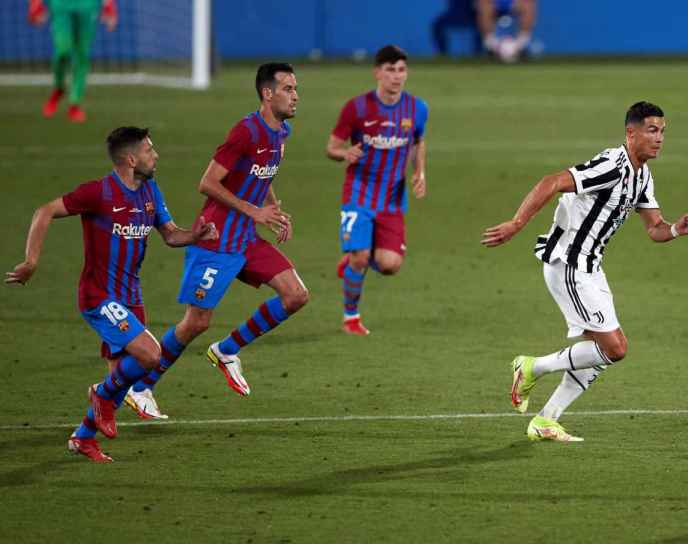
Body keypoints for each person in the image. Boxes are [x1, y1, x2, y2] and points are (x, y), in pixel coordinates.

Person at [482, 101, 688, 442]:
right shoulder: (612, 165)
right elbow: (552, 181)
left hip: (590, 268)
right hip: (568, 264)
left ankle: (546, 420)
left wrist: (675, 229)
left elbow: (654, 226)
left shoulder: (642, 176)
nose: (659, 139)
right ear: (631, 133)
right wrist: (516, 223)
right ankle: (531, 368)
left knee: (597, 354)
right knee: (615, 348)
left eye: (662, 132)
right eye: (652, 130)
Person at [5, 127, 218, 462]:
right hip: (99, 296)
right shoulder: (99, 193)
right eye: (149, 150)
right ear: (131, 159)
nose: (156, 155)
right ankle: (98, 395)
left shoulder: (149, 189)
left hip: (131, 297)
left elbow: (171, 235)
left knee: (119, 380)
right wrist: (31, 261)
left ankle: (83, 438)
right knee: (150, 356)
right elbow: (44, 211)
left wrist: (197, 235)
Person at [125, 63, 308, 417]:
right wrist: (254, 212)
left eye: (295, 88)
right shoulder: (246, 131)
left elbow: (261, 173)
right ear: (267, 93)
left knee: (296, 294)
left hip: (246, 238)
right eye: (287, 88)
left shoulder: (280, 133)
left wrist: (272, 210)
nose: (295, 95)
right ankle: (140, 387)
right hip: (216, 237)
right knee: (196, 322)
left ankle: (227, 350)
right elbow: (207, 183)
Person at [326, 45, 428, 336]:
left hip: (393, 198)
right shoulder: (357, 108)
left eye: (401, 70)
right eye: (390, 70)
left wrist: (419, 172)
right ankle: (351, 317)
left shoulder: (417, 109)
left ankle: (353, 258)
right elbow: (331, 147)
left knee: (389, 265)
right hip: (359, 192)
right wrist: (344, 154)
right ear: (377, 73)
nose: (397, 76)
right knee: (361, 258)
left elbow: (418, 142)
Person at [28, 0, 118, 123]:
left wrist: (109, 5)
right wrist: (35, 3)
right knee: (62, 51)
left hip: (87, 5)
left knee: (82, 55)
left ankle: (74, 103)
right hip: (61, 5)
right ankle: (59, 88)